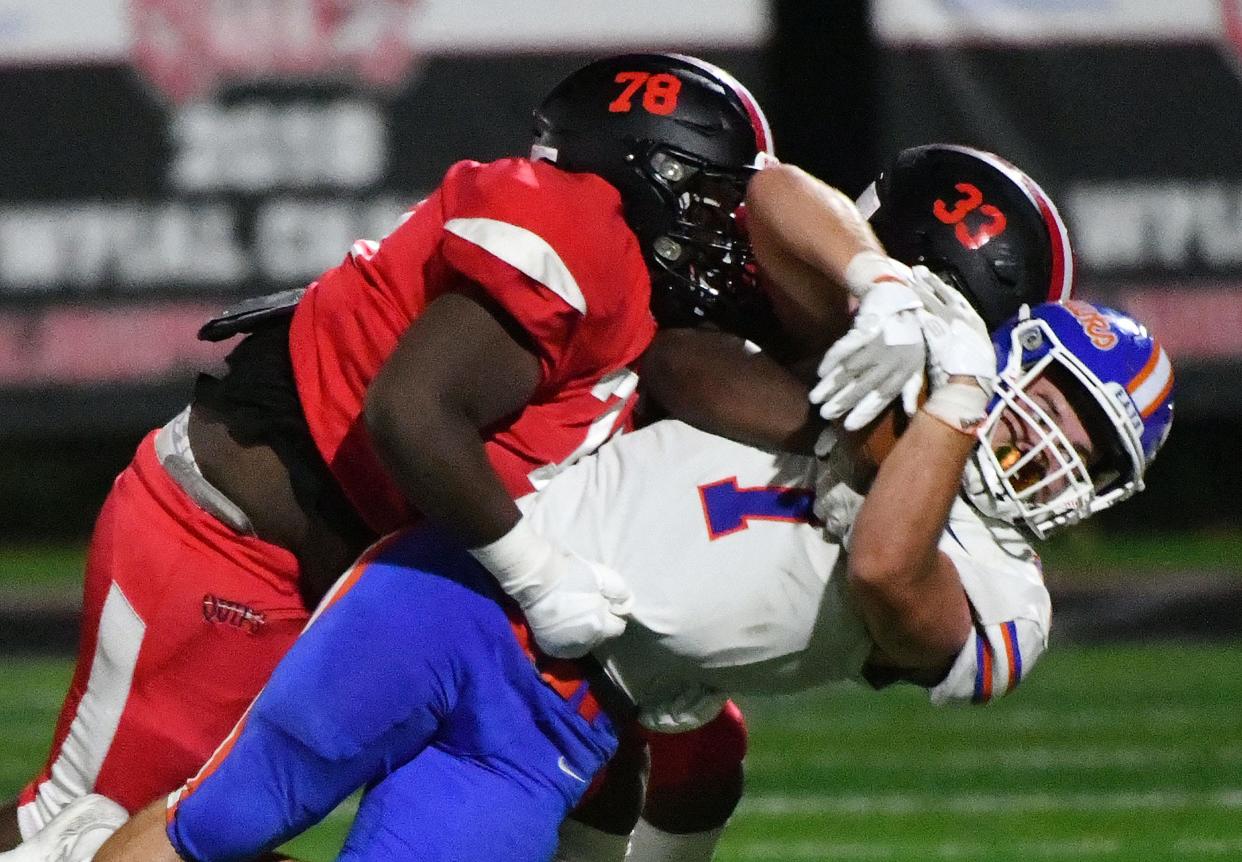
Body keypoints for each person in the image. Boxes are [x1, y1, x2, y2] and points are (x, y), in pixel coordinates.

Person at [71, 290, 1173, 862]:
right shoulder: (891, 368)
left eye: (1091, 440)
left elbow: (890, 571)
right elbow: (677, 354)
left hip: (565, 721)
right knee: (216, 823)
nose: (1051, 437)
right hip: (465, 594)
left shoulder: (1008, 594)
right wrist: (873, 287)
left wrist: (956, 394)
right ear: (1018, 355)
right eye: (1057, 394)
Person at [0, 52, 777, 850]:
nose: (725, 236)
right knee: (78, 831)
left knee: (672, 747)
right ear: (637, 178)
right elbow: (411, 414)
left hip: (404, 586)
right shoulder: (572, 227)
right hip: (247, 542)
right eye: (710, 204)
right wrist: (540, 579)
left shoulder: (657, 316)